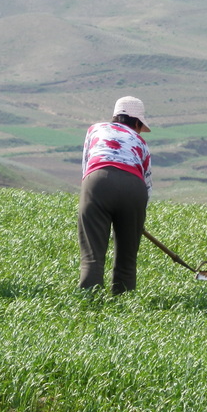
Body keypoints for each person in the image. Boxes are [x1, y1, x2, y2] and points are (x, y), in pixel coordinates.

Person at [77, 96, 152, 294]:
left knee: (92, 258)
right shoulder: (141, 143)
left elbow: (87, 164)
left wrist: (89, 196)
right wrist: (137, 219)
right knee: (127, 262)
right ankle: (123, 308)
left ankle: (89, 306)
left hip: (98, 183)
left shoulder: (95, 129)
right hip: (134, 189)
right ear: (137, 122)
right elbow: (147, 181)